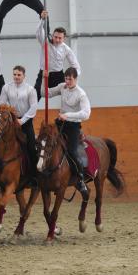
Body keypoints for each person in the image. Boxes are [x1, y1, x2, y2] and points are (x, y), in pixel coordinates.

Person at [42, 67, 91, 195]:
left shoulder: (81, 94)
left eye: (70, 79)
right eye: (66, 78)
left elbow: (86, 114)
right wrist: (44, 78)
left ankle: (80, 179)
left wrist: (68, 115)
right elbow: (44, 93)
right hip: (60, 123)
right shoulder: (62, 87)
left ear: (76, 79)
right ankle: (42, 174)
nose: (68, 81)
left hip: (73, 127)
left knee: (72, 151)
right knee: (46, 143)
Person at [0, 65, 38, 181]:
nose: (16, 77)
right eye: (14, 74)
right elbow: (1, 103)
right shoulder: (6, 87)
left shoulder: (30, 89)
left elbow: (33, 107)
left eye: (19, 75)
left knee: (31, 147)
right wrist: (8, 112)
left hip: (25, 122)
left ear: (24, 76)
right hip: (10, 121)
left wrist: (22, 120)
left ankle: (34, 175)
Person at [34, 10, 81, 101]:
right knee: (35, 95)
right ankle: (28, 115)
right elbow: (38, 33)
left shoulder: (66, 49)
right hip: (44, 73)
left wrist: (72, 77)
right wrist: (42, 20)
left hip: (58, 76)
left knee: (71, 94)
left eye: (60, 38)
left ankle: (68, 114)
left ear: (64, 38)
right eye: (55, 37)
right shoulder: (45, 42)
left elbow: (76, 66)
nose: (57, 40)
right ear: (52, 35)